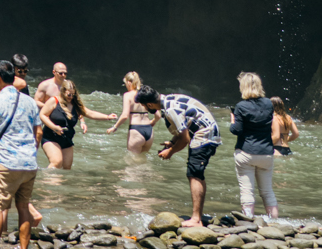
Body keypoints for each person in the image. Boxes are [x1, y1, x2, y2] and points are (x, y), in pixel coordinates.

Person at [0, 58, 43, 249]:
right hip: (29, 163)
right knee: (23, 207)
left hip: (6, 162)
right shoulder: (30, 102)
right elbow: (38, 132)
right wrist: (31, 150)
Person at [140, 86, 220, 226]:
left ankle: (196, 219)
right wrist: (172, 143)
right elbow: (186, 125)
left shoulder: (170, 110)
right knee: (195, 173)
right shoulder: (169, 100)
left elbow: (185, 138)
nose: (145, 109)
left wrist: (169, 152)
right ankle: (197, 216)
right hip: (207, 131)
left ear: (150, 104)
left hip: (205, 134)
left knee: (194, 173)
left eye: (144, 106)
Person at [230, 72, 278, 220]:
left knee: (247, 191)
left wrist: (232, 120)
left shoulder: (241, 106)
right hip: (266, 153)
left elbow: (236, 130)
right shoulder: (269, 104)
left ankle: (249, 220)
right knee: (267, 191)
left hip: (246, 152)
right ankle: (274, 222)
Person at [39, 77, 88, 169]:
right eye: (69, 94)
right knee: (56, 162)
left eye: (73, 95)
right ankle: (47, 182)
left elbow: (88, 113)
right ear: (63, 91)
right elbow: (42, 115)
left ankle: (60, 183)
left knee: (67, 167)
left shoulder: (74, 104)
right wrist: (54, 127)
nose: (71, 97)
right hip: (51, 136)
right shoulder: (54, 100)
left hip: (66, 138)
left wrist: (107, 117)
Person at [104, 71, 155, 155]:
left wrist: (115, 127)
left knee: (132, 162)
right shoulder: (146, 94)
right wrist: (153, 121)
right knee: (143, 160)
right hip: (149, 131)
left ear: (128, 83)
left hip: (136, 131)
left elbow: (125, 115)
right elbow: (158, 115)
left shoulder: (127, 95)